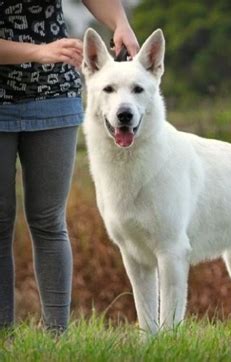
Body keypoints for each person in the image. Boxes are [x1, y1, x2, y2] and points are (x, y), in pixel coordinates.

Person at [0, 0, 139, 333]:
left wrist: (119, 21)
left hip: (54, 94)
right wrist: (38, 52)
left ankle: (56, 338)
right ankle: (4, 334)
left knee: (49, 221)